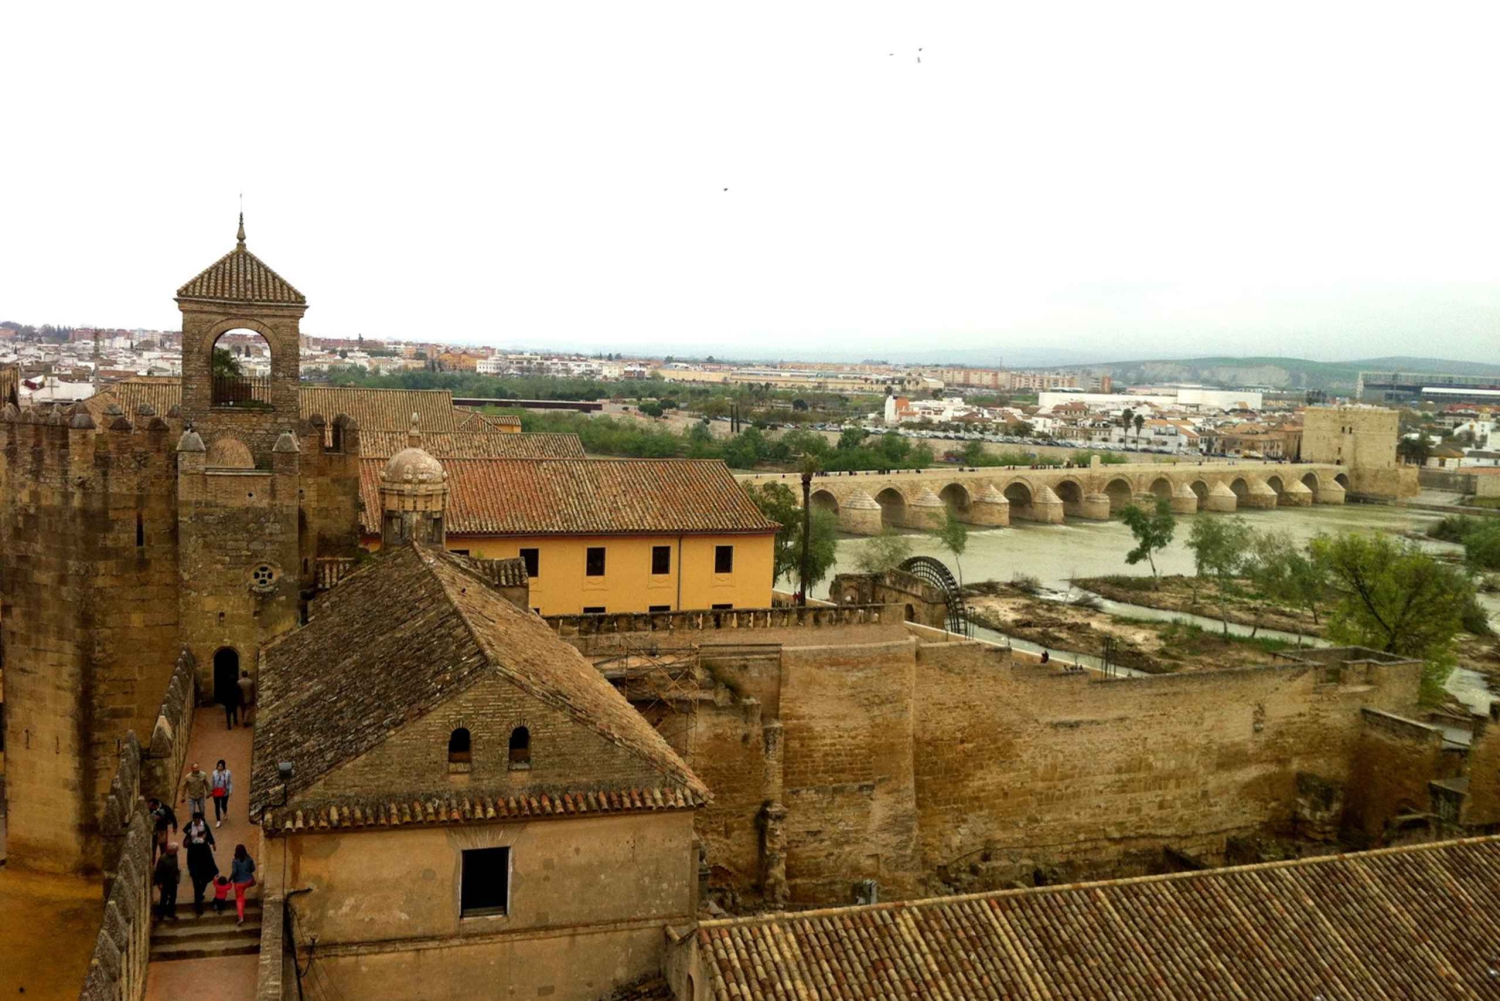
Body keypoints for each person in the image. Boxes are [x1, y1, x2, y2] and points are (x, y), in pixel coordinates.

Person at [182, 811, 218, 916]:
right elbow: (185, 830)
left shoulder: (204, 825)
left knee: (209, 876)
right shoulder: (190, 825)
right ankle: (198, 907)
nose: (196, 822)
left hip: (204, 852)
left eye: (198, 820)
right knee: (196, 881)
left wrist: (213, 843)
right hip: (193, 853)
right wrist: (190, 833)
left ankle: (200, 892)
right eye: (195, 820)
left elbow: (209, 835)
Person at [229, 844, 257, 927]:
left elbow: (234, 872)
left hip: (239, 883)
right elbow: (253, 869)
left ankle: (241, 917)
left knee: (239, 899)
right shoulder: (249, 859)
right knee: (250, 883)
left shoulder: (235, 861)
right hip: (248, 880)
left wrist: (229, 879)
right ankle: (253, 883)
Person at [153, 842, 181, 921]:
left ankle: (171, 913)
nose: (177, 851)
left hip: (172, 881)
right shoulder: (163, 859)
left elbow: (175, 867)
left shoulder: (175, 856)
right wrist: (159, 883)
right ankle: (161, 914)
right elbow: (158, 872)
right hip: (165, 881)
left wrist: (177, 876)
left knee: (173, 897)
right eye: (176, 850)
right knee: (164, 898)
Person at [148, 797, 178, 863]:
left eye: (151, 806)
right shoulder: (150, 809)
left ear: (155, 805)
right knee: (153, 848)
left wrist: (175, 827)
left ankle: (163, 862)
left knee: (163, 847)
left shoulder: (165, 808)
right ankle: (152, 862)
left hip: (162, 830)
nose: (149, 807)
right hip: (153, 831)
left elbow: (172, 817)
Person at [211, 759, 233, 828]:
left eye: (221, 766)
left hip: (224, 792)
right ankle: (218, 820)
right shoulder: (214, 773)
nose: (219, 767)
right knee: (217, 806)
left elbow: (230, 782)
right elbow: (212, 782)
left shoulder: (227, 773)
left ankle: (225, 812)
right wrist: (211, 791)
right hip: (216, 792)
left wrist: (230, 791)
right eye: (218, 766)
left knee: (223, 805)